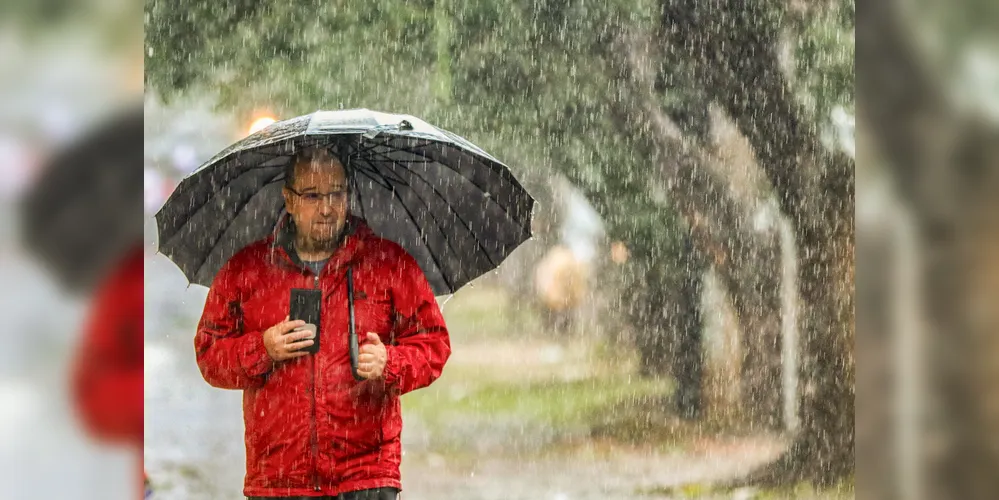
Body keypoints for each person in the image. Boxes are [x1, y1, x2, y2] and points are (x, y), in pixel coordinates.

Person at [194, 146, 451, 500]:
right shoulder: (247, 269)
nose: (327, 207)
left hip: (366, 476)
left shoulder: (389, 263)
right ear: (289, 199)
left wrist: (391, 362)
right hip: (279, 479)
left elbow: (433, 343)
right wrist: (262, 348)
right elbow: (210, 353)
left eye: (337, 193)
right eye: (313, 195)